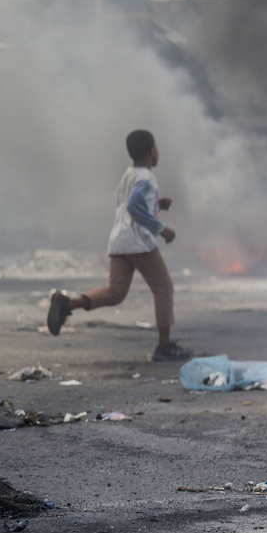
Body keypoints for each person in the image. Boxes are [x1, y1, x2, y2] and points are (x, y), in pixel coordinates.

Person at [46, 129, 191, 361]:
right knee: (163, 288)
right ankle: (164, 346)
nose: (158, 152)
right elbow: (134, 206)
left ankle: (67, 304)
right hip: (138, 241)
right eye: (156, 148)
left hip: (119, 240)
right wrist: (161, 229)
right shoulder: (146, 177)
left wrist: (156, 205)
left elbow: (126, 205)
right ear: (149, 152)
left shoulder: (128, 175)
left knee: (115, 293)